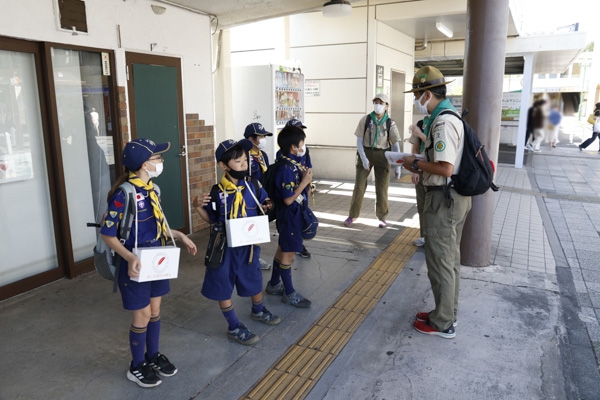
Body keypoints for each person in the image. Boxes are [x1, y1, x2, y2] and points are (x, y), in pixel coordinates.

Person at [100, 138, 198, 388]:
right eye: (158, 158)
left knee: (155, 311)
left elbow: (156, 226)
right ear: (145, 164)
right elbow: (108, 234)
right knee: (141, 315)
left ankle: (152, 356)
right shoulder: (124, 195)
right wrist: (130, 257)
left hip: (156, 260)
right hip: (135, 263)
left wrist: (180, 235)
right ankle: (136, 365)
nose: (161, 162)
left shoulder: (153, 190)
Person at [402, 66, 472, 339]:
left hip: (444, 200)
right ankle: (446, 313)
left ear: (427, 93)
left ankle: (443, 323)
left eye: (417, 94)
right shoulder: (448, 115)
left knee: (441, 262)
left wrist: (415, 162)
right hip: (454, 198)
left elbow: (445, 168)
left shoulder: (442, 121)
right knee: (450, 260)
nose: (416, 100)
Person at [192, 139, 281, 346]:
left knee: (253, 277)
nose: (244, 165)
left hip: (248, 244)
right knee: (222, 284)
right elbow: (212, 219)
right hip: (224, 247)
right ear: (223, 166)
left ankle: (258, 310)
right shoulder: (217, 192)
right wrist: (196, 206)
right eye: (238, 161)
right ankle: (233, 325)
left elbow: (265, 202)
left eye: (245, 160)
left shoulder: (254, 185)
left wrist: (268, 204)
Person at [265, 125, 313, 308]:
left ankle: (274, 283)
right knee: (289, 254)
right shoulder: (285, 168)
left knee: (282, 248)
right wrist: (305, 182)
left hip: (293, 215)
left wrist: (305, 181)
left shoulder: (293, 164)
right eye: (302, 143)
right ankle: (289, 292)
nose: (303, 146)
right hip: (289, 215)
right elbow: (287, 199)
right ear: (293, 146)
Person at [344, 93, 402, 228]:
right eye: (376, 102)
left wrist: (397, 165)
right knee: (359, 186)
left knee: (382, 188)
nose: (378, 105)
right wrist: (363, 158)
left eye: (381, 103)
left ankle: (382, 217)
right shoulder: (365, 120)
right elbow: (359, 141)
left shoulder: (390, 123)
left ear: (387, 106)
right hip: (366, 152)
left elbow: (395, 144)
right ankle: (353, 215)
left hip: (383, 155)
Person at [244, 122, 274, 270]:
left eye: (264, 136)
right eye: (261, 136)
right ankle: (252, 258)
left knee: (258, 229)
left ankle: (254, 256)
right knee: (248, 228)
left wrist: (266, 198)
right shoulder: (244, 156)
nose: (263, 139)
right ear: (251, 138)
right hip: (248, 198)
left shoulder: (263, 155)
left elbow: (266, 176)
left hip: (261, 196)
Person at [285, 118, 312, 258]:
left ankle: (299, 244)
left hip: (302, 192)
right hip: (292, 194)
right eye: (297, 130)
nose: (300, 133)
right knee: (291, 223)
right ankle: (294, 245)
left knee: (302, 216)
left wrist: (307, 187)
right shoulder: (284, 159)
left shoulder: (304, 151)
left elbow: (309, 169)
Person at [408, 119, 426, 247]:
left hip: (438, 172)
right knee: (422, 205)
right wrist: (414, 170)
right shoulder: (420, 124)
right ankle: (424, 236)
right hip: (421, 170)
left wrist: (421, 134)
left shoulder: (444, 121)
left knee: (435, 207)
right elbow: (415, 148)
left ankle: (433, 238)